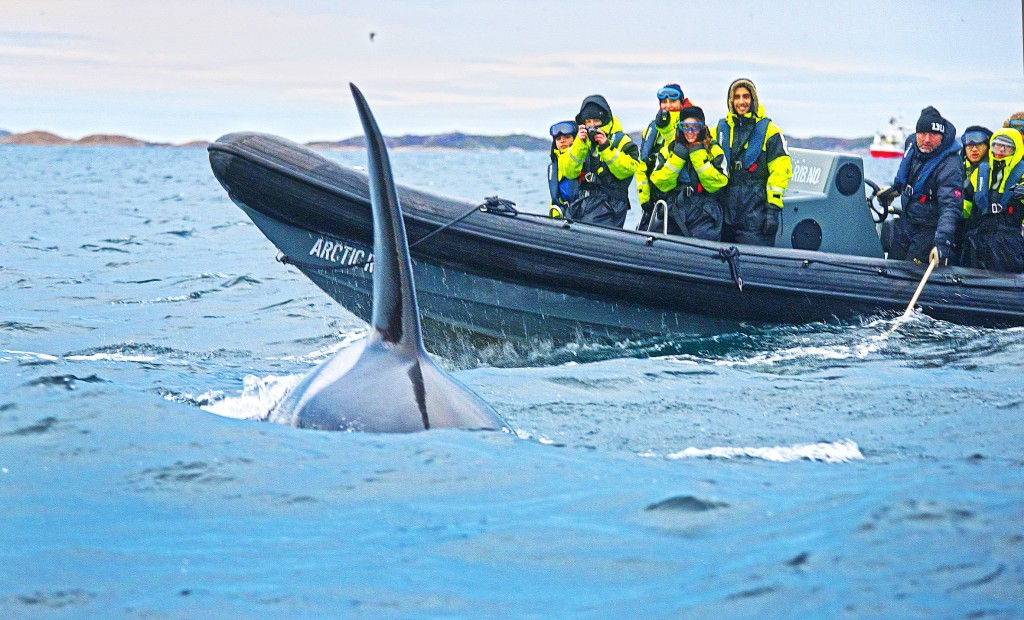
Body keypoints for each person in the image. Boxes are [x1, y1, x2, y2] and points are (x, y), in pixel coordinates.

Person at [711, 78, 792, 246]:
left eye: (746, 96)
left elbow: (780, 171)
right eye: (737, 97)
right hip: (725, 212)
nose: (742, 101)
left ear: (753, 99)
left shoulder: (770, 132)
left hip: (755, 213)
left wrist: (773, 210)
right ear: (731, 101)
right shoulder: (720, 130)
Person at [562, 95, 644, 227]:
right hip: (582, 202)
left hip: (610, 204)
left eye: (596, 121)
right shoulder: (581, 142)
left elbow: (628, 171)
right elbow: (569, 172)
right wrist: (579, 145)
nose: (592, 125)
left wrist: (606, 148)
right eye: (588, 121)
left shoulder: (622, 141)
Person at [648, 105, 727, 240]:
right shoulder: (669, 150)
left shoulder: (714, 150)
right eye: (686, 126)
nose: (690, 131)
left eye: (695, 127)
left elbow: (718, 183)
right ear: (680, 127)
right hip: (675, 209)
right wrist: (678, 157)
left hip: (704, 211)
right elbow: (660, 183)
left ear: (702, 127)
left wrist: (697, 155)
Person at [960, 129, 1024, 272]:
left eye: (1007, 147)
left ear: (1016, 149)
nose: (1001, 150)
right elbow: (966, 205)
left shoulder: (1021, 174)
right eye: (997, 145)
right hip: (978, 240)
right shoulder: (980, 172)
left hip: (1008, 243)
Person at [636, 84, 694, 229]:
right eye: (664, 102)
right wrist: (644, 200)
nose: (668, 106)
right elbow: (641, 166)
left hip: (682, 201)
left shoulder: (691, 128)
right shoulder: (651, 130)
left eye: (673, 101)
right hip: (655, 203)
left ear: (681, 102)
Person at [954, 125, 992, 262]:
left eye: (979, 145)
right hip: (961, 230)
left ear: (987, 146)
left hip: (983, 235)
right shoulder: (960, 169)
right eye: (969, 145)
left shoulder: (991, 170)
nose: (974, 149)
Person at [546, 120, 580, 218]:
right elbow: (555, 197)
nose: (562, 141)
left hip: (582, 213)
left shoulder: (582, 159)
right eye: (558, 138)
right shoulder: (553, 167)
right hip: (563, 214)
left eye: (567, 137)